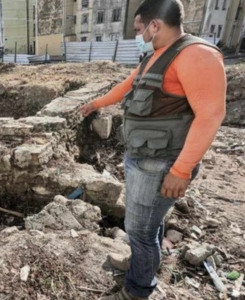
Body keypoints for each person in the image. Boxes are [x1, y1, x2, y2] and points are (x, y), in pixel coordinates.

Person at [79, 0, 226, 299]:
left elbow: (210, 115)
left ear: (154, 25)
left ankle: (137, 288)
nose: (138, 34)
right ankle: (141, 265)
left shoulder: (197, 55)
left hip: (162, 163)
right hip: (143, 156)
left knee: (140, 230)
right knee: (146, 224)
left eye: (138, 29)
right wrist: (95, 104)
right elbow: (127, 86)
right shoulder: (157, 56)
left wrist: (181, 170)